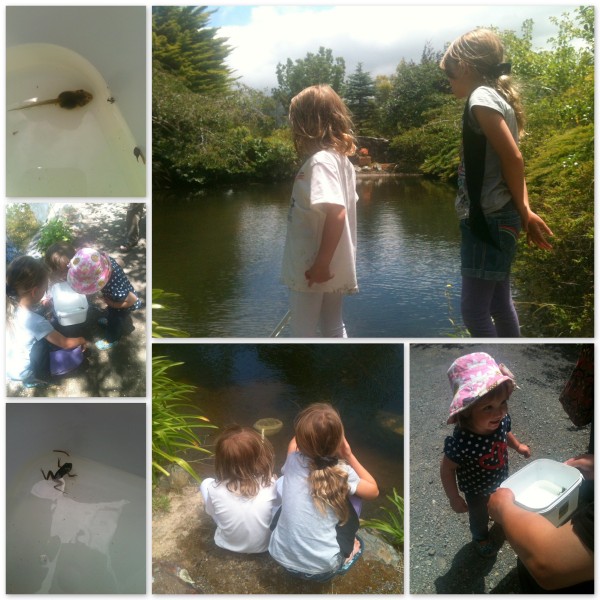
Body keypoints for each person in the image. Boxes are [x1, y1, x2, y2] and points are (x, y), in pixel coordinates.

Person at [440, 29, 553, 337]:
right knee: (499, 305)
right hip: (499, 215)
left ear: (464, 67)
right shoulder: (495, 96)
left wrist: (524, 210)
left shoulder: (481, 98)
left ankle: (492, 370)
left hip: (487, 219)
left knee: (474, 312)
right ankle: (505, 361)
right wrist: (523, 211)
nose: (448, 81)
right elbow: (512, 162)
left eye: (448, 73)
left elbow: (513, 158)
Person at [281, 84, 359, 337]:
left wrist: (321, 264)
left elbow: (337, 213)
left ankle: (303, 374)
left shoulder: (321, 162)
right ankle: (342, 371)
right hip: (327, 264)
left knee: (301, 332)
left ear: (305, 123)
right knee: (333, 326)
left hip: (313, 267)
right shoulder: (339, 159)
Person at [269, 403, 379, 581]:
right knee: (356, 499)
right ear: (340, 441)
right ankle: (348, 555)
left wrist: (309, 433)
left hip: (280, 557)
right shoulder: (342, 472)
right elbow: (373, 491)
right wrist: (349, 454)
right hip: (322, 571)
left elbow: (294, 442)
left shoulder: (292, 460)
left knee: (284, 487)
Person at [440, 352, 531, 556]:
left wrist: (518, 446)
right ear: (467, 411)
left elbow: (506, 433)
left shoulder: (500, 422)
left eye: (502, 404)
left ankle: (499, 517)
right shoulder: (462, 441)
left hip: (500, 477)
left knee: (503, 501)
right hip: (476, 489)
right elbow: (447, 469)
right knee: (479, 515)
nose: (498, 413)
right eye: (488, 407)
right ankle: (480, 537)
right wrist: (453, 497)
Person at [6, 255, 87, 387]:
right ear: (34, 292)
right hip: (22, 370)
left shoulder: (8, 306)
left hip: (8, 364)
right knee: (76, 355)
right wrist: (82, 339)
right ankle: (34, 378)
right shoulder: (36, 322)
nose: (45, 292)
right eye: (45, 289)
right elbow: (65, 343)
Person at [199, 425, 279, 553]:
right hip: (263, 546)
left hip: (227, 544)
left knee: (205, 483)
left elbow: (210, 511)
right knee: (274, 503)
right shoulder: (270, 483)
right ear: (259, 458)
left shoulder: (215, 488)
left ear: (222, 460)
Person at [67, 247, 142, 350]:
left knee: (115, 322)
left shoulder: (115, 288)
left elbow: (133, 299)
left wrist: (113, 304)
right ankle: (109, 319)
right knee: (111, 313)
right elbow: (120, 261)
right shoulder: (106, 263)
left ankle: (112, 339)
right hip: (115, 299)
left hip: (122, 306)